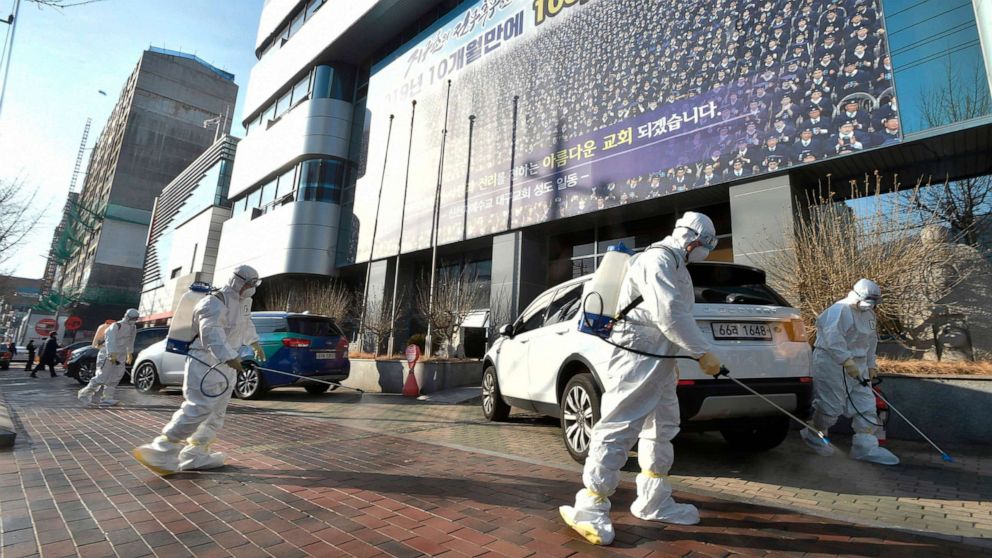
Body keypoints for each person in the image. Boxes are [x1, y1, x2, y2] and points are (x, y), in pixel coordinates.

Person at [559, 212, 724, 545]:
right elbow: (670, 313)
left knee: (662, 426)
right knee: (620, 425)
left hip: (658, 358)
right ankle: (590, 505)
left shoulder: (677, 264)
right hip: (637, 355)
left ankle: (653, 499)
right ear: (694, 241)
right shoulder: (657, 260)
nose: (706, 251)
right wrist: (701, 352)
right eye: (707, 245)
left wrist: (680, 356)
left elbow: (672, 314)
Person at [133, 265, 265, 475]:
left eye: (255, 284)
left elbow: (245, 326)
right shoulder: (213, 303)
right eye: (249, 283)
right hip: (204, 361)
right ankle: (161, 449)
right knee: (199, 407)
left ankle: (196, 453)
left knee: (215, 413)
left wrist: (255, 343)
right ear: (237, 281)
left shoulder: (242, 304)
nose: (252, 288)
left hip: (225, 365)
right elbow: (211, 333)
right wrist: (229, 357)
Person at [800, 279, 899, 466]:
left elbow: (871, 342)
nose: (871, 305)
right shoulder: (840, 310)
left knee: (866, 405)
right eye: (869, 300)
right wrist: (846, 361)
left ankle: (865, 448)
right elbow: (833, 338)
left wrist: (870, 365)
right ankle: (815, 435)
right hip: (832, 362)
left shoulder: (869, 315)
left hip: (859, 364)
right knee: (831, 407)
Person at [77, 309, 139, 406]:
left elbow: (131, 341)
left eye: (135, 319)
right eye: (132, 318)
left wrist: (129, 353)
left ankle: (107, 397)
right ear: (127, 316)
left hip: (121, 355)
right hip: (108, 354)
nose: (133, 320)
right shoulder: (116, 326)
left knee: (116, 376)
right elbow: (110, 340)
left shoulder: (133, 328)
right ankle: (84, 394)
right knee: (102, 376)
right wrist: (111, 354)